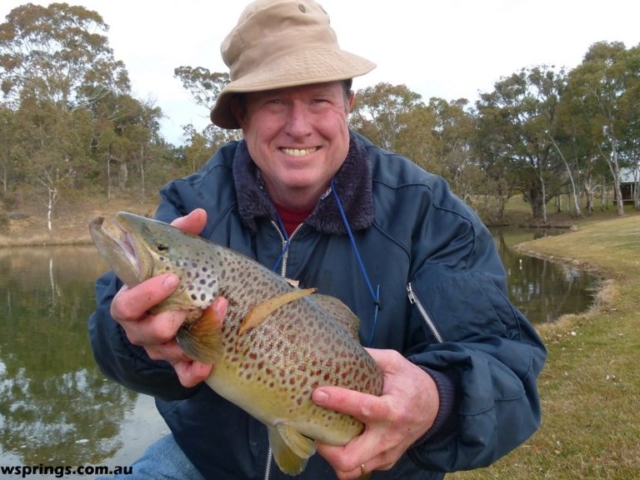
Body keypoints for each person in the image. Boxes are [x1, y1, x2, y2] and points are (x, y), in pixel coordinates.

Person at [89, 0, 547, 479]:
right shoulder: (190, 207)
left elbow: (506, 370)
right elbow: (118, 346)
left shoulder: (427, 213)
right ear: (242, 115)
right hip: (209, 461)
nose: (299, 125)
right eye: (274, 102)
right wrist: (134, 338)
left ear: (348, 104)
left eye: (319, 100)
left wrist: (436, 401)